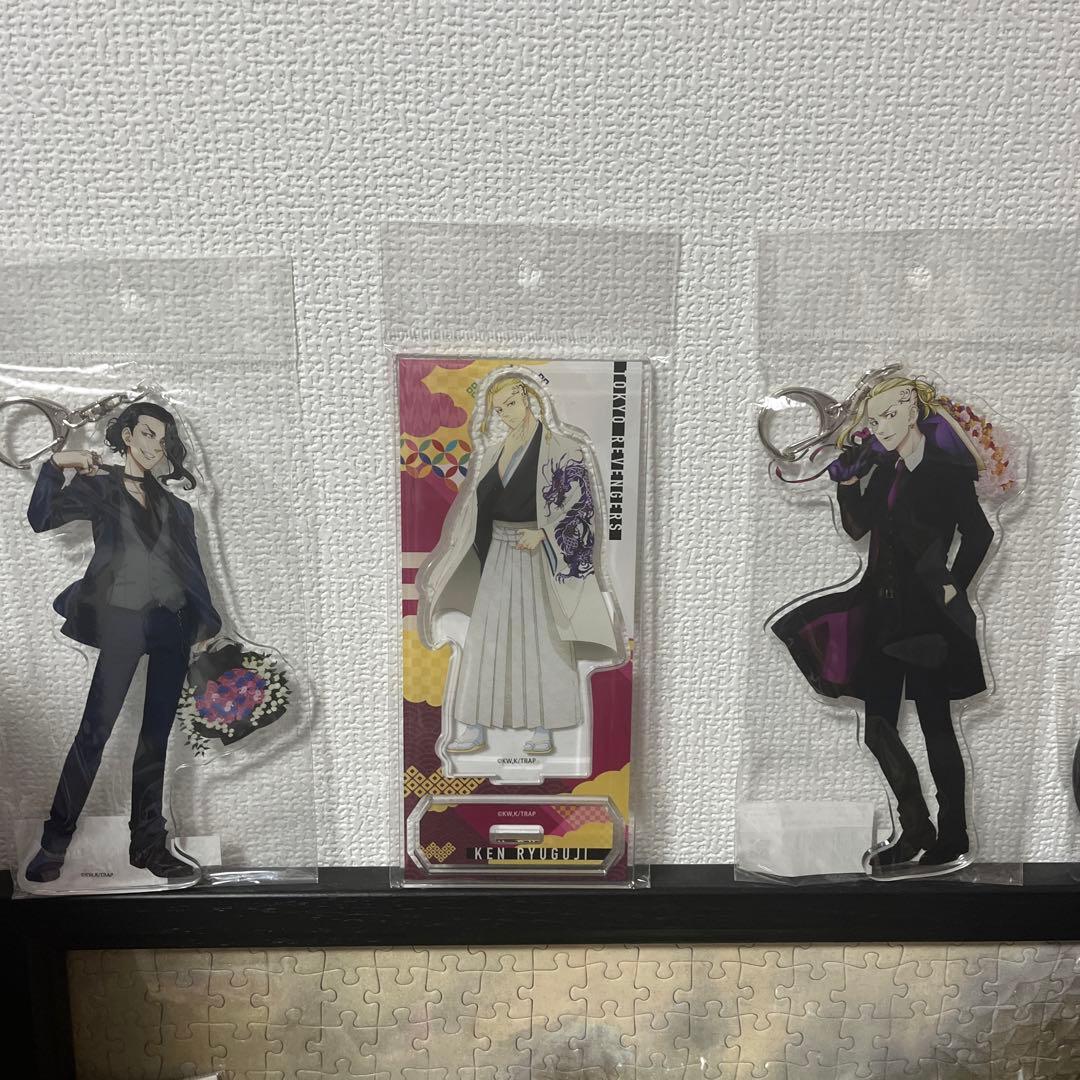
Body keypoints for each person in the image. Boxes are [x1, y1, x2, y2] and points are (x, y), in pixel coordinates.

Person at [771, 374, 994, 870]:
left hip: (929, 619)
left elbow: (979, 533)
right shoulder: (886, 470)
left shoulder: (946, 471)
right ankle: (915, 828)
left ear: (914, 409)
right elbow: (858, 527)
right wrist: (849, 482)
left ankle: (954, 834)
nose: (883, 427)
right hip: (882, 613)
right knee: (877, 728)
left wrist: (955, 584)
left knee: (936, 727)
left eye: (891, 414)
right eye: (874, 421)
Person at [23, 402, 220, 882]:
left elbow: (191, 572)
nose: (155, 447)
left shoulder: (177, 508)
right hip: (122, 621)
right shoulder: (101, 487)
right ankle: (53, 844)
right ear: (127, 435)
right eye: (147, 434)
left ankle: (148, 845)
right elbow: (42, 517)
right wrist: (59, 462)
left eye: (163, 440)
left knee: (155, 738)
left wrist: (206, 628)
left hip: (173, 623)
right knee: (95, 732)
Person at [418, 372, 621, 759]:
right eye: (499, 409)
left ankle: (544, 728)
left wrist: (544, 533)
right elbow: (476, 508)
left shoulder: (564, 448)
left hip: (539, 556)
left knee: (542, 637)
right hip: (498, 551)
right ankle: (475, 725)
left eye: (511, 403)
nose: (506, 414)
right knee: (486, 638)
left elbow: (581, 508)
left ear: (530, 400)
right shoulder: (494, 452)